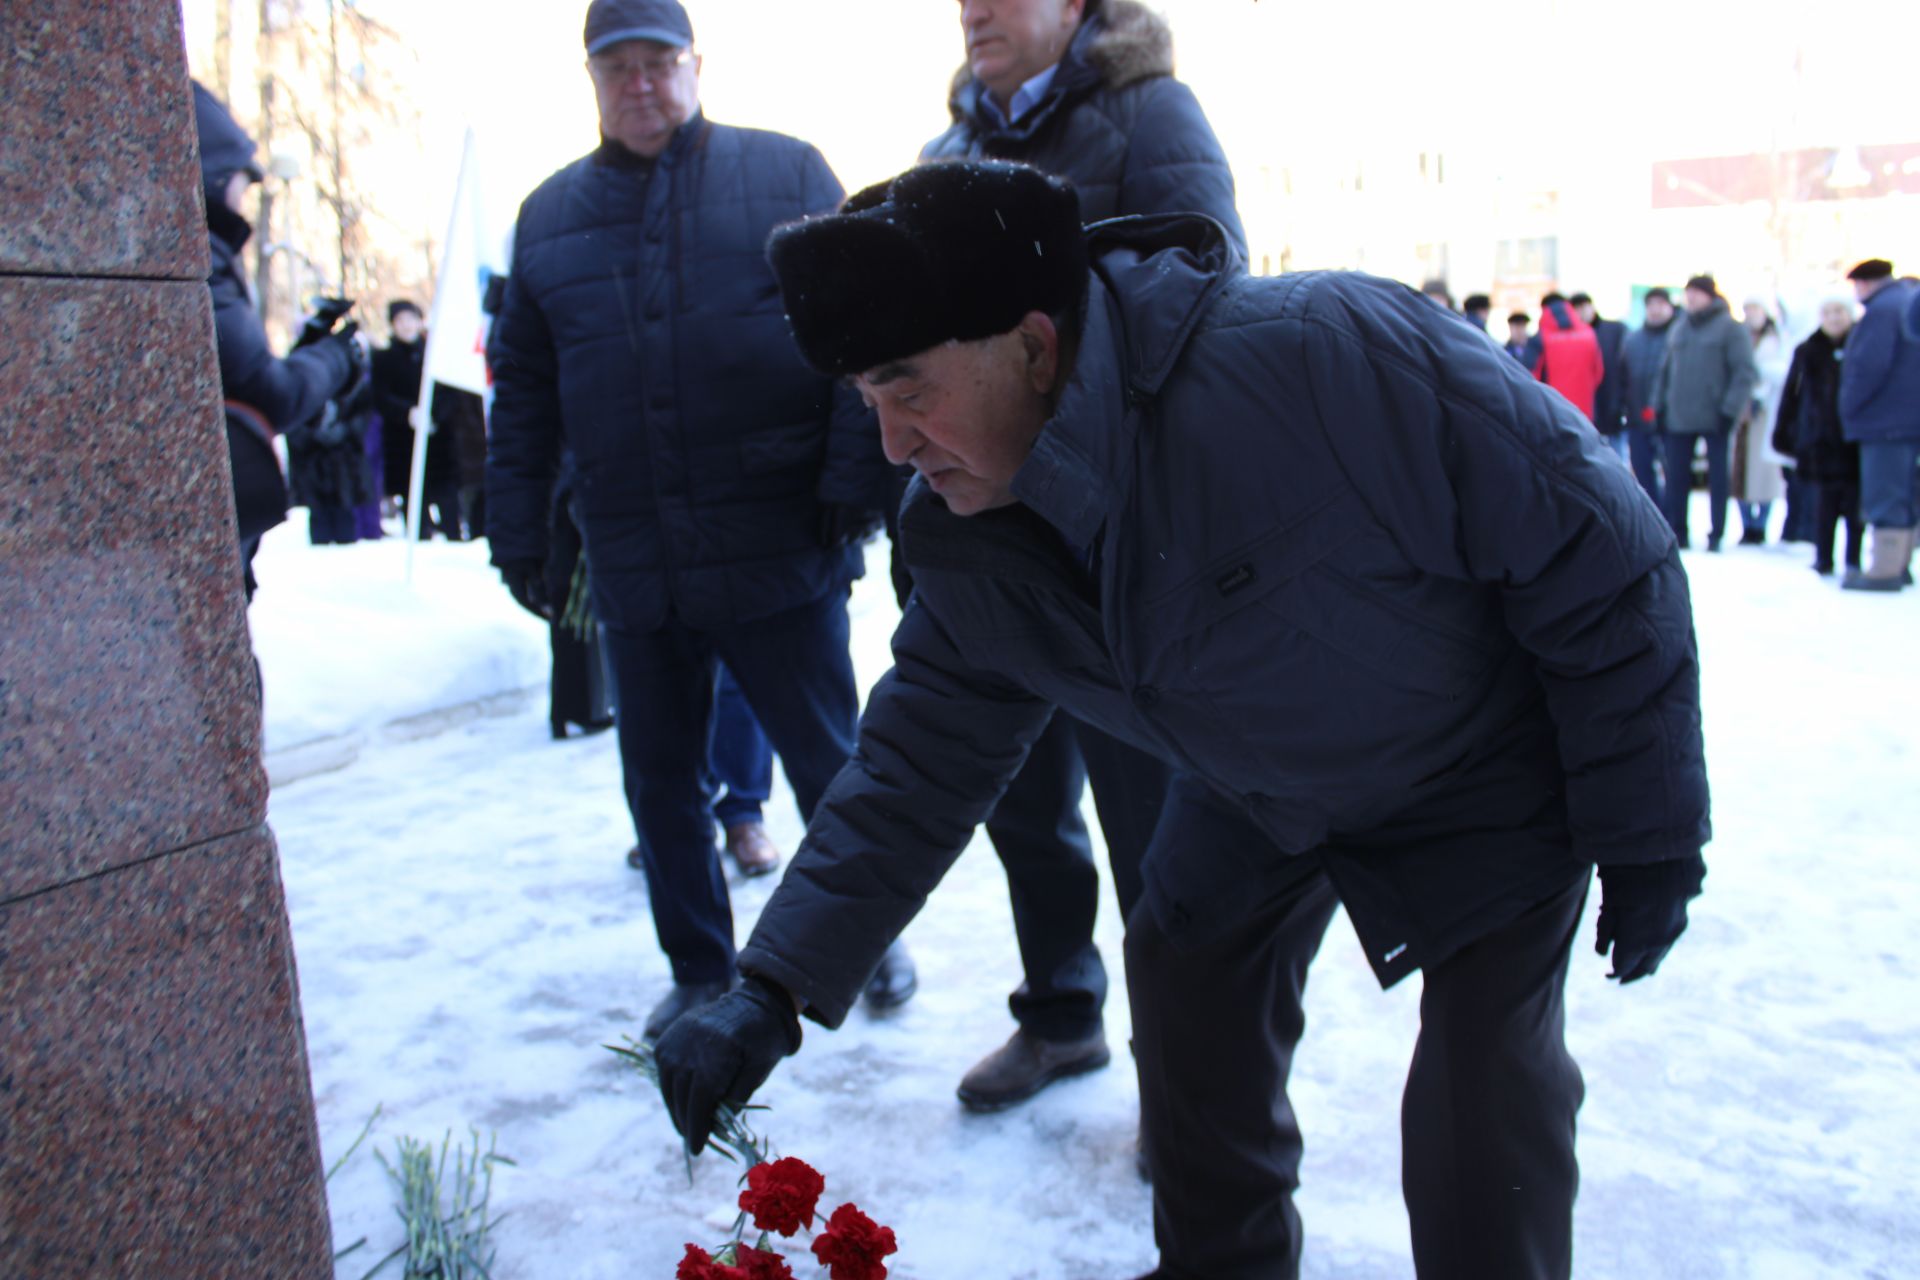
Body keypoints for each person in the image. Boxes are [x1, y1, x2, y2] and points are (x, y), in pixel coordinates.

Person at [654, 161, 1711, 1280]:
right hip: (1258, 775)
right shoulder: (968, 533)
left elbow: (1601, 546)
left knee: (1479, 1093)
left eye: (907, 387)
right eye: (866, 401)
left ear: (1033, 343)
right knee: (1184, 965)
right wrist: (771, 987)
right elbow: (918, 759)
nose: (893, 443)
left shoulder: (1317, 356)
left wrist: (1648, 831)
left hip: (1478, 759)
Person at [484, 0, 896, 1043]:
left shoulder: (788, 176)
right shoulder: (548, 219)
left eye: (658, 62)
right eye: (615, 66)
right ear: (590, 81)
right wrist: (518, 529)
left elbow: (865, 335)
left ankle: (863, 937)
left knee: (828, 761)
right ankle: (700, 968)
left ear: (695, 66)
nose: (640, 83)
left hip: (779, 544)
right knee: (660, 779)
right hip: (636, 556)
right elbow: (524, 393)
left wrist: (857, 477)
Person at [913, 0, 1244, 1112]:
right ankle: (1061, 1014)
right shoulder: (946, 149)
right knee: (1027, 813)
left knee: (1158, 836)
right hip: (991, 557)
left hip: (1122, 561)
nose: (975, 7)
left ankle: (1184, 1076)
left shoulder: (1152, 117)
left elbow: (1210, 310)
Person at [192, 82, 358, 597]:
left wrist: (307, 348)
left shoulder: (196, 253)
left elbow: (240, 374)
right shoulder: (202, 257)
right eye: (245, 178)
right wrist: (336, 358)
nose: (247, 195)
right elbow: (269, 394)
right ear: (217, 175)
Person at [1653, 274, 1757, 550]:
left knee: (1717, 478)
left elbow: (1744, 373)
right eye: (1688, 294)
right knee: (1676, 477)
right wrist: (1659, 406)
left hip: (1715, 416)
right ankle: (1679, 531)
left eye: (1697, 293)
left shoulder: (1730, 328)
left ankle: (1717, 533)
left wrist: (1729, 410)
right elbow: (1665, 370)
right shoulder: (1680, 327)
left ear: (1710, 296)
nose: (1691, 298)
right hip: (1678, 415)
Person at [1837, 258, 1920, 591]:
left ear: (1866, 283)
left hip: (1884, 419)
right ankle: (1899, 564)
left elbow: (1867, 367)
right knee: (1905, 494)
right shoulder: (1906, 302)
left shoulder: (1883, 310)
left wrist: (1848, 406)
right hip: (1907, 420)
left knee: (1885, 494)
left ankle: (1884, 570)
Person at [1772, 295, 1863, 576]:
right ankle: (1823, 557)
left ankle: (1853, 559)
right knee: (1823, 504)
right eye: (1828, 312)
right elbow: (1791, 394)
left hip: (1853, 440)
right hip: (1818, 440)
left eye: (1839, 311)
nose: (1834, 318)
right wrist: (1784, 433)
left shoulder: (1860, 346)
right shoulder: (1808, 349)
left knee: (1854, 506)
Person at [284, 327, 379, 545]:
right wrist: (313, 433)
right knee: (319, 521)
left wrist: (343, 431)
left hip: (344, 457)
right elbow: (291, 414)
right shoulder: (300, 374)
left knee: (345, 519)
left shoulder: (353, 378)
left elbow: (363, 412)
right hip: (312, 459)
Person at [1732, 298, 1788, 544]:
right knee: (1740, 471)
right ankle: (1746, 525)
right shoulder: (1737, 338)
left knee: (1764, 474)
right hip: (1740, 411)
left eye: (1755, 309)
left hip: (1765, 412)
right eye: (1747, 310)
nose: (1751, 314)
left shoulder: (1777, 339)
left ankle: (1761, 524)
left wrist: (1760, 390)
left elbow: (1782, 369)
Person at [1619, 287, 1677, 506]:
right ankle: (1652, 513)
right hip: (1637, 415)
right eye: (1650, 305)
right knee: (1642, 469)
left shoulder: (1678, 335)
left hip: (1669, 418)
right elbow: (1623, 375)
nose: (1655, 310)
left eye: (1660, 304)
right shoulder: (1633, 340)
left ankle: (1671, 516)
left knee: (1672, 472)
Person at [1527, 292, 1605, 425]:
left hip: (1553, 416)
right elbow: (1598, 373)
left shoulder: (1540, 338)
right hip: (1585, 416)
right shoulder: (1588, 334)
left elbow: (1529, 378)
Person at [1570, 292, 1628, 453]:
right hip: (1586, 407)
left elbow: (1624, 369)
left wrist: (1622, 402)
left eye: (1583, 306)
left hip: (1612, 403)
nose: (1581, 312)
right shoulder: (1570, 339)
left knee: (1617, 457)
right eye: (1576, 308)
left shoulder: (1615, 330)